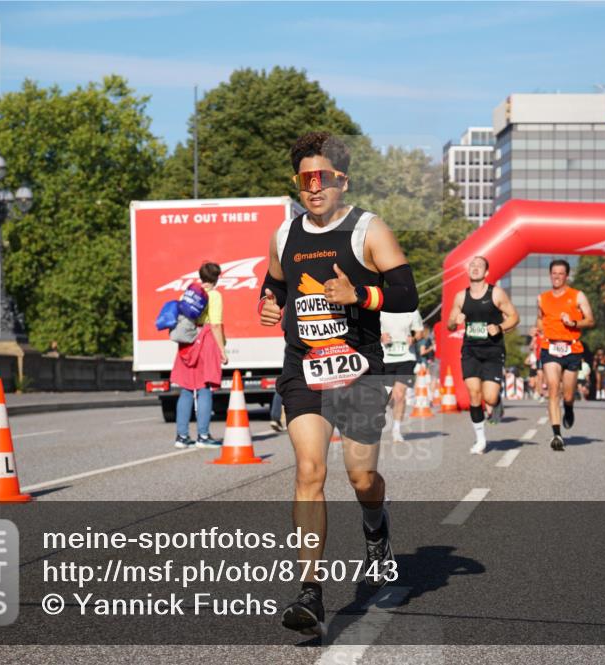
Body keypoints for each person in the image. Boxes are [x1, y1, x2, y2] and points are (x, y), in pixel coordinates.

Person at [258, 132, 418, 637]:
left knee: (361, 478)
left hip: (357, 370)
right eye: (305, 179)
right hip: (303, 368)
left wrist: (361, 294)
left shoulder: (368, 229)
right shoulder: (285, 235)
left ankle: (376, 525)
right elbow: (277, 281)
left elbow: (406, 293)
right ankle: (310, 591)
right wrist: (269, 299)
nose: (314, 187)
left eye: (323, 177)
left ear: (342, 180)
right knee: (309, 471)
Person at [446, 256, 520, 454]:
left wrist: (500, 327)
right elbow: (449, 324)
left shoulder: (496, 293)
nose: (475, 268)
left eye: (480, 266)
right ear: (468, 271)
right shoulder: (461, 297)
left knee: (489, 396)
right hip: (470, 350)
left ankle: (496, 402)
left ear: (487, 272)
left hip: (493, 351)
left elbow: (514, 316)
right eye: (472, 265)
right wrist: (456, 321)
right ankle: (480, 439)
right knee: (474, 394)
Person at [537, 259, 595, 450]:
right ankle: (556, 435)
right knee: (553, 389)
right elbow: (540, 320)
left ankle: (569, 408)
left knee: (568, 394)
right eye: (554, 273)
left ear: (566, 276)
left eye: (560, 273)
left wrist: (574, 323)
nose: (557, 276)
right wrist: (537, 330)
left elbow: (590, 320)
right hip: (550, 348)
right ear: (550, 275)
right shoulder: (542, 298)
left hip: (572, 349)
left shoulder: (577, 296)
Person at [172, 262, 227, 448]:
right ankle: (203, 436)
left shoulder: (187, 293)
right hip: (205, 340)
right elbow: (216, 325)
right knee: (204, 389)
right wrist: (222, 350)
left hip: (187, 342)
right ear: (216, 278)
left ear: (201, 276)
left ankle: (181, 437)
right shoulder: (215, 296)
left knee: (187, 390)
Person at [381, 308, 424, 443]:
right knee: (386, 396)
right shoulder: (380, 309)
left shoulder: (411, 310)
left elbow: (420, 332)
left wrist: (414, 338)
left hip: (406, 357)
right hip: (385, 358)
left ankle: (396, 430)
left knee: (399, 394)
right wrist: (380, 337)